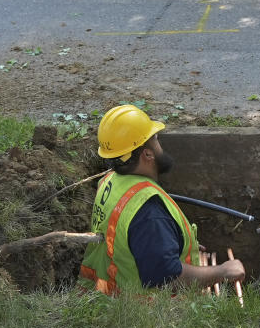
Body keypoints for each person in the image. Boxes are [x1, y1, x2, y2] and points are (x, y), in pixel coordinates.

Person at [78, 104, 245, 295]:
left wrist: (166, 243)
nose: (159, 144)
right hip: (142, 316)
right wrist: (223, 271)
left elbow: (125, 238)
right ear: (147, 154)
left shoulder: (110, 181)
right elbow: (169, 279)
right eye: (156, 139)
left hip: (104, 296)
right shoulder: (148, 212)